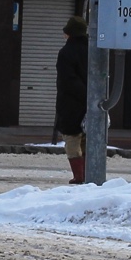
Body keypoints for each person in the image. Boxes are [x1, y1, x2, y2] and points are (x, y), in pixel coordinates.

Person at [55, 15, 88, 185]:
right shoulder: (94, 51)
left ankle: (79, 176)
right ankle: (89, 174)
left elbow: (67, 81)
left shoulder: (66, 53)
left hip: (71, 104)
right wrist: (92, 97)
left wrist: (82, 95)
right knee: (87, 139)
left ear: (69, 34)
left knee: (72, 140)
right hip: (92, 104)